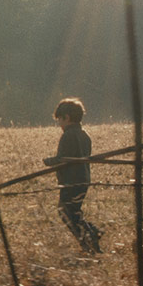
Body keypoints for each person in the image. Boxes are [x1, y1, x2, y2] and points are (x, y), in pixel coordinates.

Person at [43, 98, 102, 254]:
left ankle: (88, 239)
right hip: (83, 179)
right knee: (74, 211)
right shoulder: (84, 135)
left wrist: (48, 161)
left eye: (60, 120)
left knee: (65, 212)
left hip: (71, 180)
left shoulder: (68, 135)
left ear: (66, 118)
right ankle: (91, 235)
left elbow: (63, 159)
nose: (59, 124)